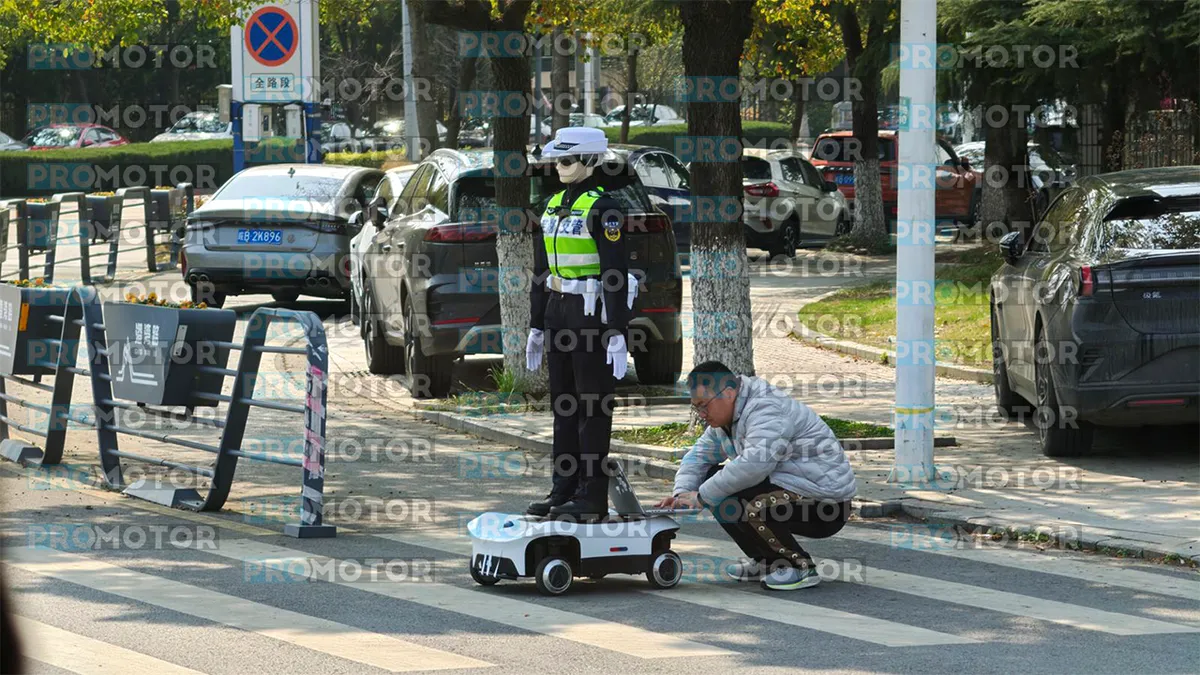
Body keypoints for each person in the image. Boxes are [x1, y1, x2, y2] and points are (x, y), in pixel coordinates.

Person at [656, 361, 858, 591]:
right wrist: (682, 494)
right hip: (790, 491)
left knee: (739, 498)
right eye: (696, 408)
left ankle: (800, 567)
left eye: (704, 406)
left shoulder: (767, 409)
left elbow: (753, 466)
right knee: (713, 482)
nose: (701, 415)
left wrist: (701, 497)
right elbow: (697, 458)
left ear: (729, 393)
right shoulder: (726, 420)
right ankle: (768, 561)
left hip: (827, 504)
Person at [525, 127, 635, 522]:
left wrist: (618, 330)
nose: (559, 166)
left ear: (590, 160)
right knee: (564, 406)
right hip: (558, 311)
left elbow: (614, 272)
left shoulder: (605, 209)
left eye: (567, 159)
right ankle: (564, 488)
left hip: (590, 315)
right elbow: (541, 269)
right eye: (556, 159)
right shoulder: (552, 205)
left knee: (592, 407)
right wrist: (536, 324)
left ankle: (591, 495)